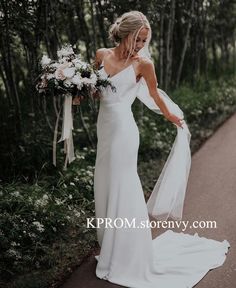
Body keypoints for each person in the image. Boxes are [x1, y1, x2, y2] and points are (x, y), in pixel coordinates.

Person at [91, 10, 230, 288]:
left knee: (123, 184)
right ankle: (110, 247)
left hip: (125, 132)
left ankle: (129, 254)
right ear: (125, 33)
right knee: (105, 183)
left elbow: (155, 95)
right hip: (104, 130)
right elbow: (96, 92)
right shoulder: (101, 55)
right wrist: (79, 89)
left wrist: (172, 117)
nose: (141, 46)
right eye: (137, 39)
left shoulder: (143, 65)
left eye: (144, 41)